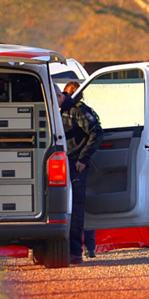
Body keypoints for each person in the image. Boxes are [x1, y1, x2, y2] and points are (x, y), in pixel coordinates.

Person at [58, 81, 103, 264]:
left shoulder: (77, 109)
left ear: (61, 96)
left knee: (76, 207)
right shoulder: (54, 109)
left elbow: (97, 132)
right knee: (59, 206)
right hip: (59, 162)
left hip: (74, 162)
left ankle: (76, 251)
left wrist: (83, 159)